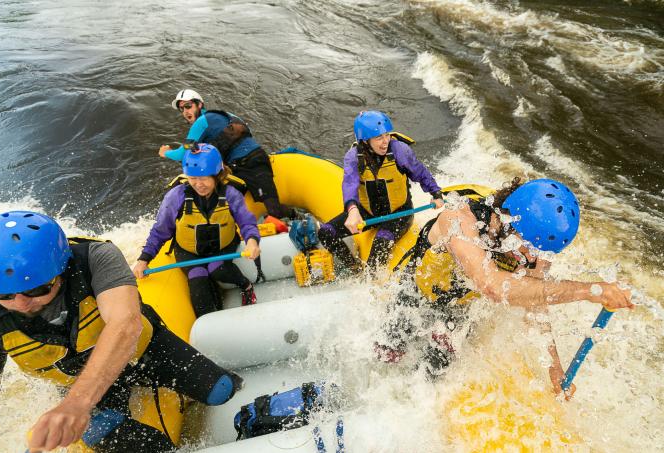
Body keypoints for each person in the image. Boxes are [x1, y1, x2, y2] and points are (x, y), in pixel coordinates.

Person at [0, 211, 243, 452]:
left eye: (35, 290)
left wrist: (77, 404)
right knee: (105, 434)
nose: (20, 304)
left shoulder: (96, 257)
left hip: (144, 351)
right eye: (3, 294)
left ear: (60, 269)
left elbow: (125, 325)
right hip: (77, 380)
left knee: (221, 389)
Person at [377, 178, 633, 395]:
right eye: (529, 248)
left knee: (431, 377)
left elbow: (536, 303)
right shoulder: (459, 218)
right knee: (386, 354)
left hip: (459, 309)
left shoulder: (531, 248)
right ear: (507, 222)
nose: (532, 259)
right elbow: (491, 286)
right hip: (414, 293)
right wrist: (588, 291)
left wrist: (555, 369)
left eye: (539, 253)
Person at [135, 144, 261, 315]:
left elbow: (246, 222)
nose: (198, 184)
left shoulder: (230, 195)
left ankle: (245, 285)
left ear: (216, 175)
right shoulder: (176, 196)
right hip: (189, 252)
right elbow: (160, 231)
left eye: (204, 178)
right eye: (193, 178)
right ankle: (209, 322)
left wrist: (252, 241)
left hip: (223, 248)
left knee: (217, 269)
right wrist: (144, 260)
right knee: (197, 279)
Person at [318, 110, 444, 271]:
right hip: (368, 212)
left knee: (380, 244)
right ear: (365, 141)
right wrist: (352, 210)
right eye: (379, 138)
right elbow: (349, 184)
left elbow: (420, 173)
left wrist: (436, 194)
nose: (385, 142)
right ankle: (354, 267)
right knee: (326, 232)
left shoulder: (399, 150)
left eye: (387, 135)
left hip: (399, 214)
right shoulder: (353, 157)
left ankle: (374, 279)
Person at [159, 88, 294, 221]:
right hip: (244, 165)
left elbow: (183, 153)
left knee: (274, 209)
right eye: (181, 109)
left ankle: (296, 217)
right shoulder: (227, 115)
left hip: (252, 165)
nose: (185, 112)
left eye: (188, 106)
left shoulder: (201, 122)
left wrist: (166, 152)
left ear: (199, 104)